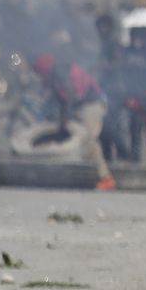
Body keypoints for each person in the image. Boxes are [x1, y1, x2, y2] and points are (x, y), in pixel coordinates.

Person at [32, 54, 115, 190]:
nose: (39, 77)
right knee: (76, 139)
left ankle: (106, 178)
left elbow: (69, 93)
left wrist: (65, 116)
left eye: (40, 73)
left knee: (88, 140)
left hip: (91, 105)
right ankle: (89, 175)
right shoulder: (53, 77)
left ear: (45, 70)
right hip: (80, 106)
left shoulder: (59, 73)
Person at [94, 14, 130, 161]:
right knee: (103, 125)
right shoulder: (103, 44)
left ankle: (123, 152)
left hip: (115, 89)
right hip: (105, 89)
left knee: (110, 125)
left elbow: (119, 63)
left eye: (103, 26)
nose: (100, 30)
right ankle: (107, 156)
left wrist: (102, 67)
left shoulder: (114, 44)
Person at [123, 30, 146, 164]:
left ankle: (137, 159)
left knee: (139, 129)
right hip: (128, 95)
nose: (136, 40)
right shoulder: (125, 52)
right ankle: (132, 157)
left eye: (139, 37)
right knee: (130, 129)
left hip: (143, 97)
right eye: (134, 36)